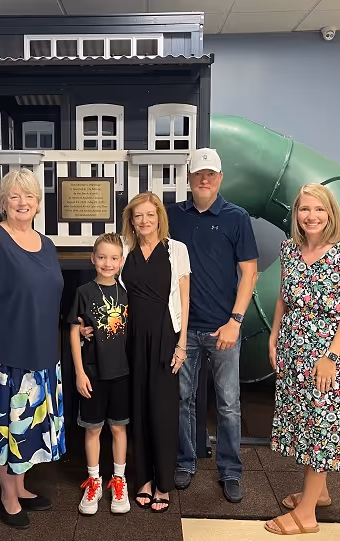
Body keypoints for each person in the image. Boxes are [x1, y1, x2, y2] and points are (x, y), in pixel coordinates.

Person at [0, 168, 66, 530]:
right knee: (6, 432)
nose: (22, 203)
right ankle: (7, 495)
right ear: (2, 202)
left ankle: (20, 487)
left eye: (29, 196)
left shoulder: (46, 243)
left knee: (26, 431)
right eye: (14, 197)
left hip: (40, 356)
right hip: (3, 358)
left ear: (38, 202)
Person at [79, 192, 191, 513]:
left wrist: (182, 343)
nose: (144, 221)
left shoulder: (176, 250)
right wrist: (89, 326)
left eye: (149, 215)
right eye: (137, 216)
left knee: (163, 409)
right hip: (128, 339)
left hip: (164, 336)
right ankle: (141, 480)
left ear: (159, 217)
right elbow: (105, 290)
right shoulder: (124, 251)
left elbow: (184, 300)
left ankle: (163, 483)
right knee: (136, 409)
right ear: (131, 220)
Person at [264, 183, 340, 536]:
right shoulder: (289, 250)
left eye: (319, 209)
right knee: (303, 422)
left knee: (320, 427)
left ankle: (306, 515)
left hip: (324, 353)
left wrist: (331, 357)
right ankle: (318, 492)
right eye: (305, 209)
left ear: (331, 213)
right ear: (296, 214)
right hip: (292, 348)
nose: (311, 216)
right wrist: (275, 336)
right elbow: (282, 297)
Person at [168, 148, 259, 503]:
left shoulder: (237, 218)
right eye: (198, 174)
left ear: (220, 178)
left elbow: (249, 272)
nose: (204, 179)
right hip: (183, 329)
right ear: (189, 179)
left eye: (211, 174)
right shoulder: (173, 216)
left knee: (228, 404)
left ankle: (230, 470)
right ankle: (186, 461)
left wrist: (235, 322)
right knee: (182, 399)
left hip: (224, 328)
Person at [67, 233, 131, 516]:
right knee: (92, 429)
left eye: (113, 258)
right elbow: (72, 331)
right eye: (102, 257)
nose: (107, 263)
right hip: (92, 373)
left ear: (121, 261)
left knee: (119, 428)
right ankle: (93, 481)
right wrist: (80, 372)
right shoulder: (83, 292)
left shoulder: (127, 293)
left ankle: (119, 480)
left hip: (121, 374)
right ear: (93, 259)